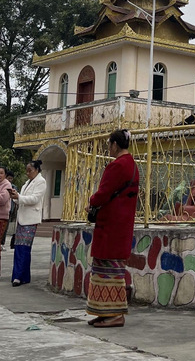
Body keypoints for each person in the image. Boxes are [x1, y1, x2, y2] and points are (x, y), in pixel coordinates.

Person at [86, 129, 139, 328]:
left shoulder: (117, 165)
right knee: (111, 268)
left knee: (108, 269)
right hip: (121, 225)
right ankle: (104, 312)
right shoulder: (132, 165)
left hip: (111, 226)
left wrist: (91, 201)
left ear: (115, 145)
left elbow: (103, 193)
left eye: (109, 144)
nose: (108, 148)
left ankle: (115, 314)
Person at [10, 159, 47, 286]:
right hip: (22, 218)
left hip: (30, 219)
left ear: (36, 170)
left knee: (24, 248)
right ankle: (22, 276)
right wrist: (16, 197)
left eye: (30, 171)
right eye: (26, 171)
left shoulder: (41, 181)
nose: (27, 173)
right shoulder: (27, 183)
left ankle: (19, 276)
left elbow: (35, 199)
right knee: (19, 247)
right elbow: (22, 199)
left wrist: (19, 197)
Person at [1, 169, 18, 251]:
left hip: (10, 210)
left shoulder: (14, 187)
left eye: (11, 178)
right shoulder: (1, 186)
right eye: (8, 178)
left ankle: (2, 243)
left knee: (5, 227)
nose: (10, 180)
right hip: (2, 210)